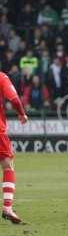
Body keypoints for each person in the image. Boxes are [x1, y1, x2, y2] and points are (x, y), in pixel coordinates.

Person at [0, 72, 28, 224]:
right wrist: (22, 114)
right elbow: (14, 99)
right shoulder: (2, 77)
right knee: (8, 166)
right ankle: (7, 207)